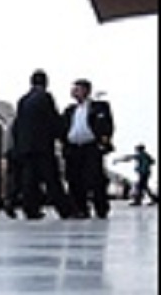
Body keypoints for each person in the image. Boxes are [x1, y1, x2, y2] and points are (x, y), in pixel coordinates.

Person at [10, 69, 74, 220]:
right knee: (52, 179)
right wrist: (63, 135)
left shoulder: (23, 100)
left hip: (25, 148)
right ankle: (65, 210)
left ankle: (30, 210)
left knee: (29, 181)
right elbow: (52, 120)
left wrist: (19, 145)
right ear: (45, 83)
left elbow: (17, 125)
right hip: (42, 147)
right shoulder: (45, 97)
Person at [60, 78, 114, 219]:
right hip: (73, 149)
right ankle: (80, 209)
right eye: (73, 89)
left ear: (86, 90)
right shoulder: (69, 110)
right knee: (74, 179)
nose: (73, 92)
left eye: (77, 89)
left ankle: (101, 208)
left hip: (91, 147)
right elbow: (62, 128)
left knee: (95, 178)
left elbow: (107, 125)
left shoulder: (100, 107)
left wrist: (103, 141)